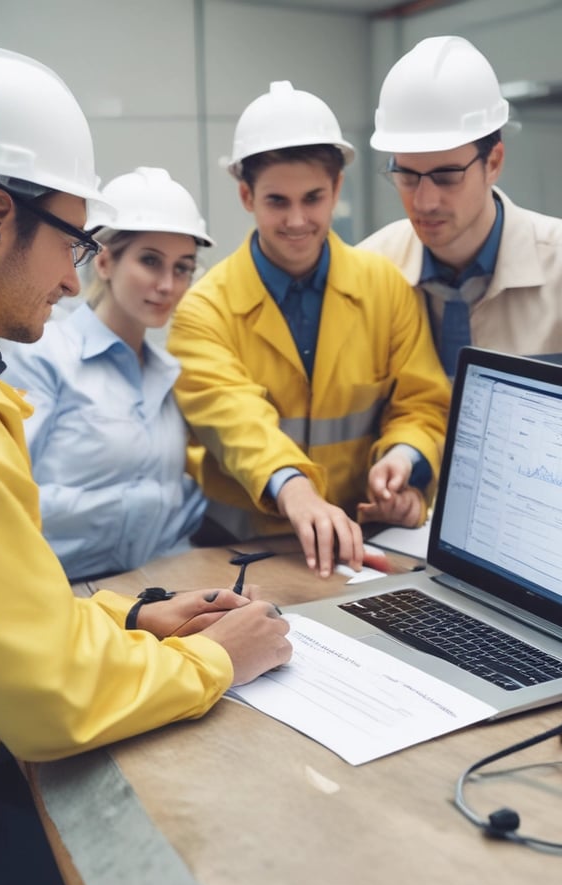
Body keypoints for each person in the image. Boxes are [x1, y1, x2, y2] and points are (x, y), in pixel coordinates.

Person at [0, 46, 291, 885]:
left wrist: (134, 616)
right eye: (73, 244)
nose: (73, 278)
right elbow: (51, 701)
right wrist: (215, 660)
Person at [167, 81, 451, 579]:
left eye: (313, 198)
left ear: (337, 189)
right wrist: (296, 490)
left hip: (355, 550)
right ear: (246, 195)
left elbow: (422, 404)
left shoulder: (385, 288)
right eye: (277, 201)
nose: (298, 220)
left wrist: (403, 468)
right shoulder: (203, 311)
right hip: (238, 551)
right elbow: (238, 424)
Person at [357, 35, 562, 383]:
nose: (424, 202)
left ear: (494, 162)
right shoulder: (368, 274)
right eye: (406, 175)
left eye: (447, 176)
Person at [0, 167, 213, 581]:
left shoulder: (167, 376)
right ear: (104, 260)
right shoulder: (44, 358)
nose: (168, 284)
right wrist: (150, 503)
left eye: (183, 267)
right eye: (150, 261)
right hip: (58, 597)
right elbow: (6, 500)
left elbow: (181, 515)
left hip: (154, 590)